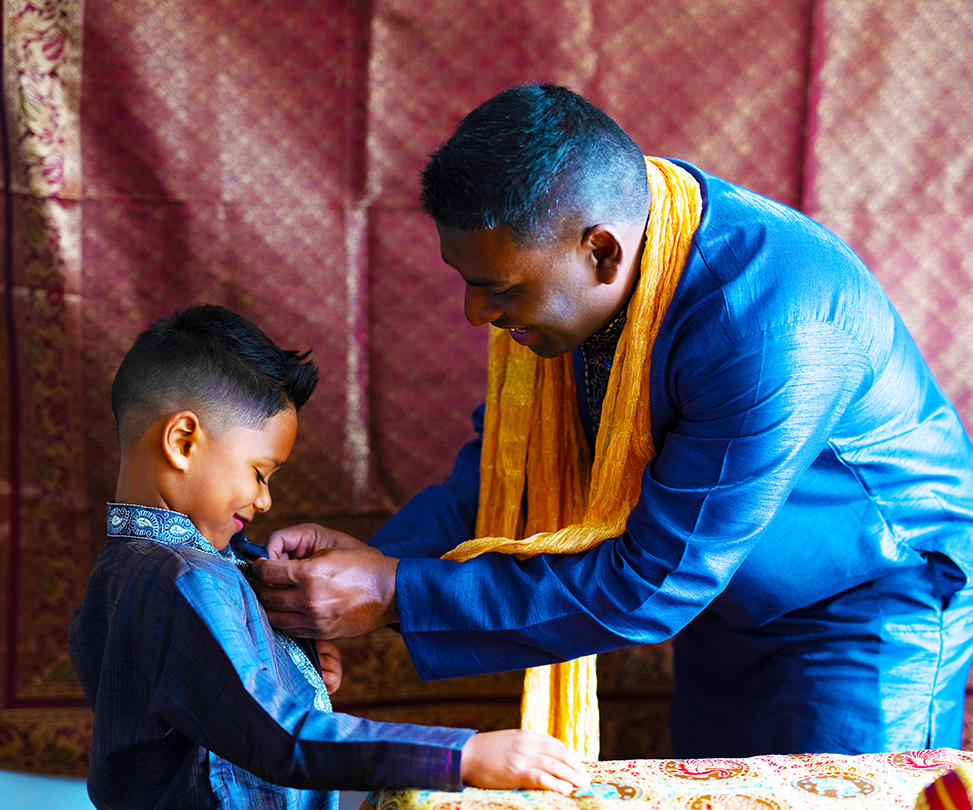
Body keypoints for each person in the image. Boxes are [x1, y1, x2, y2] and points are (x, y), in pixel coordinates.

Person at [251, 84, 973, 758]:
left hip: (870, 597)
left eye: (499, 290)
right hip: (725, 587)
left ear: (602, 253)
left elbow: (655, 581)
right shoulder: (595, 272)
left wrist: (391, 593)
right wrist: (371, 560)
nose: (476, 314)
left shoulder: (769, 325)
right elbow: (506, 472)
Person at [68, 304, 588, 810]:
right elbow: (275, 736)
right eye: (259, 472)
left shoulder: (125, 571)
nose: (266, 500)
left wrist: (296, 663)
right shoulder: (184, 579)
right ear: (183, 441)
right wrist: (464, 754)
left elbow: (197, 699)